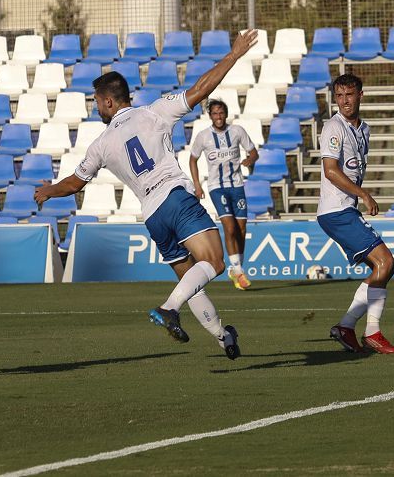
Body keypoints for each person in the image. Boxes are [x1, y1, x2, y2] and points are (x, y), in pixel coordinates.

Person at [34, 29, 260, 360]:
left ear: (109, 102)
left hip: (153, 215)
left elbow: (74, 184)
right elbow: (201, 88)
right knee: (213, 261)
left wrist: (48, 191)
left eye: (97, 102)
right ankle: (169, 308)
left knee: (191, 280)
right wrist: (234, 54)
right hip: (175, 197)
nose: (97, 107)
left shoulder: (101, 144)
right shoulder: (155, 112)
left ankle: (222, 335)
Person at [318, 74, 394, 354]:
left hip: (346, 209)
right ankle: (371, 332)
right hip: (336, 210)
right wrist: (363, 194)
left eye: (349, 95)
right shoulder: (333, 127)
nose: (344, 101)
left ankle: (347, 326)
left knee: (384, 267)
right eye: (339, 96)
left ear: (360, 95)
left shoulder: (363, 128)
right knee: (385, 262)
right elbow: (330, 171)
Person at [188, 98, 259, 290]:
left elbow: (254, 152)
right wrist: (197, 185)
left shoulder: (237, 132)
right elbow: (192, 159)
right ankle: (238, 271)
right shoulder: (203, 136)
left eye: (221, 113)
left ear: (225, 114)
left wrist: (249, 160)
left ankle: (237, 269)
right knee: (229, 228)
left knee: (241, 229)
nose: (218, 117)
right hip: (216, 187)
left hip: (237, 185)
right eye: (214, 113)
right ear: (210, 116)